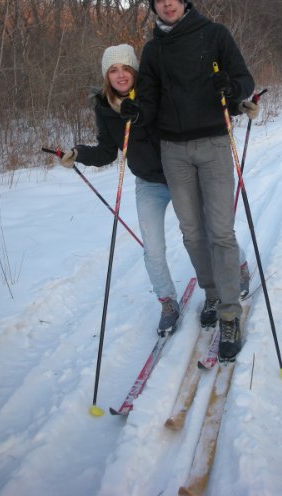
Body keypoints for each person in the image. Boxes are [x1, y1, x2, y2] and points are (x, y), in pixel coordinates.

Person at [57, 44, 258, 338]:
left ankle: (237, 264)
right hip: (148, 184)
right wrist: (77, 154)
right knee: (152, 249)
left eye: (126, 68)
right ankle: (168, 303)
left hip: (181, 175)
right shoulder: (104, 107)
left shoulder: (155, 93)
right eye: (113, 70)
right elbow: (106, 152)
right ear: (106, 75)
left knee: (210, 230)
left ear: (135, 71)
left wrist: (238, 107)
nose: (121, 75)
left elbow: (194, 111)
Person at [120, 0, 256, 362]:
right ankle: (212, 294)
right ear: (154, 6)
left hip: (213, 143)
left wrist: (232, 89)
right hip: (173, 151)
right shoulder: (153, 51)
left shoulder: (214, 34)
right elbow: (148, 98)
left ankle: (229, 312)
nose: (166, 3)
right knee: (193, 234)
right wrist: (134, 110)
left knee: (220, 232)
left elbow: (245, 79)